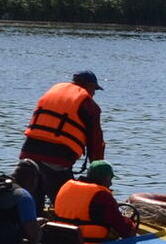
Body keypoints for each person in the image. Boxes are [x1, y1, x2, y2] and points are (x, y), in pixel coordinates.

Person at [19, 70, 106, 210]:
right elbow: (95, 142)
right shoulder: (88, 104)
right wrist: (97, 170)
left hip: (28, 155)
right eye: (94, 89)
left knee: (33, 204)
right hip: (55, 160)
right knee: (68, 203)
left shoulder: (55, 90)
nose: (94, 93)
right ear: (89, 85)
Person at [52, 160, 139, 244]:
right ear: (106, 178)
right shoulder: (102, 196)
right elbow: (123, 229)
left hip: (60, 240)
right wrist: (131, 226)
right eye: (110, 179)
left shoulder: (66, 186)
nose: (111, 183)